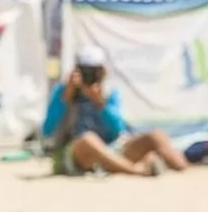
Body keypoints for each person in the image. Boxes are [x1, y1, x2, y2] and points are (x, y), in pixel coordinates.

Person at [42, 46, 190, 177]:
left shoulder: (109, 93)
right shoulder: (63, 92)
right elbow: (47, 131)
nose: (90, 76)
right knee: (89, 139)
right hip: (76, 154)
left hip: (112, 149)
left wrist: (100, 104)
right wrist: (65, 99)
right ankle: (136, 171)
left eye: (94, 72)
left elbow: (118, 130)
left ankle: (183, 169)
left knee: (157, 135)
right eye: (86, 71)